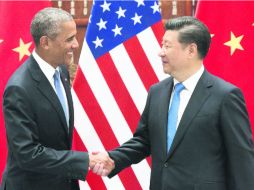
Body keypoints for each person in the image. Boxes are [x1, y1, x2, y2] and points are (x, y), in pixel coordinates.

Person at [92, 16, 254, 189]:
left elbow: (242, 160)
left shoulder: (225, 96)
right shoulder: (157, 92)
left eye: (167, 46)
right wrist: (113, 159)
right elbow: (144, 141)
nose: (161, 52)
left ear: (191, 50)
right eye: (162, 45)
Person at [1, 7, 114, 190]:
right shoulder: (19, 88)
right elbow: (27, 153)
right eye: (69, 39)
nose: (76, 44)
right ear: (45, 42)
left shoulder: (61, 70)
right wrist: (86, 160)